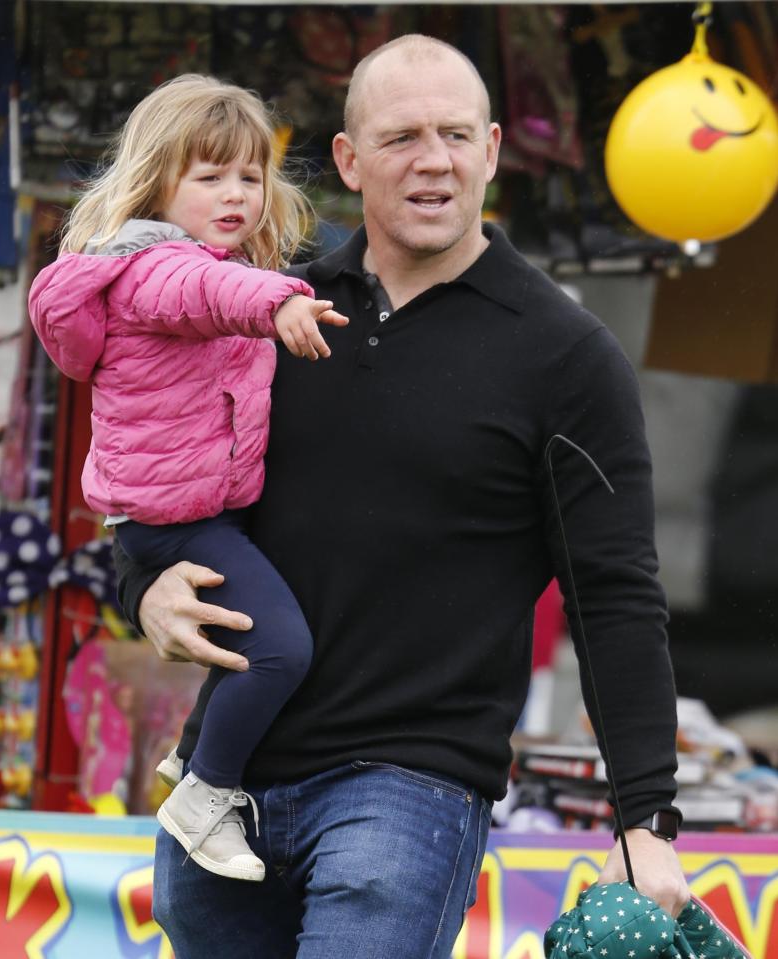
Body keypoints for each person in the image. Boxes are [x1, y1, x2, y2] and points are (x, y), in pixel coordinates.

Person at [115, 36, 690, 959]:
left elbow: (615, 593)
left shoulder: (565, 354)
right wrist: (140, 586)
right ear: (347, 160)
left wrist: (646, 817)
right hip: (228, 781)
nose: (434, 160)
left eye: (457, 135)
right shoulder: (266, 304)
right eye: (402, 138)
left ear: (495, 150)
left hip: (409, 789)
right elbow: (161, 478)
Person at [28, 74, 349, 883]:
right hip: (176, 516)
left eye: (249, 175)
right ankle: (206, 791)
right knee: (279, 650)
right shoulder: (154, 267)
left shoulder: (219, 258)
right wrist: (278, 303)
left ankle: (190, 757)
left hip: (206, 503)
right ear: (158, 185)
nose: (235, 194)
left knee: (253, 630)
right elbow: (209, 293)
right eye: (209, 177)